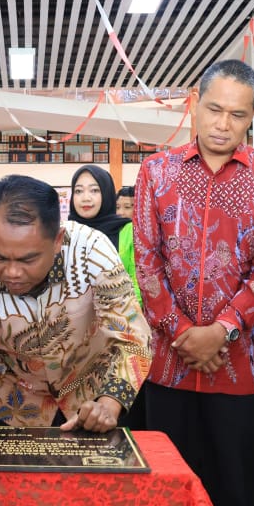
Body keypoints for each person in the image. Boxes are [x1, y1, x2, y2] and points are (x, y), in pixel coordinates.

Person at [134, 59, 254, 506]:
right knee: (168, 482)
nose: (223, 124)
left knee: (242, 483)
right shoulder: (156, 172)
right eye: (215, 109)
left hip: (242, 363)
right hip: (170, 361)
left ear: (252, 118)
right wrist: (184, 334)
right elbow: (147, 262)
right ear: (194, 104)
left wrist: (219, 331)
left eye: (238, 115)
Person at [0, 174, 151, 431]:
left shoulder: (92, 253)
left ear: (58, 241)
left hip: (93, 398)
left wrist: (109, 403)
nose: (12, 272)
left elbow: (134, 342)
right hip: (13, 407)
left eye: (28, 260)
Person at [69, 165, 144, 428]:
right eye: (78, 191)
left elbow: (138, 281)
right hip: (73, 346)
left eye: (94, 190)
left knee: (112, 422)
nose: (85, 198)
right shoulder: (63, 233)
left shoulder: (126, 231)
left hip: (117, 340)